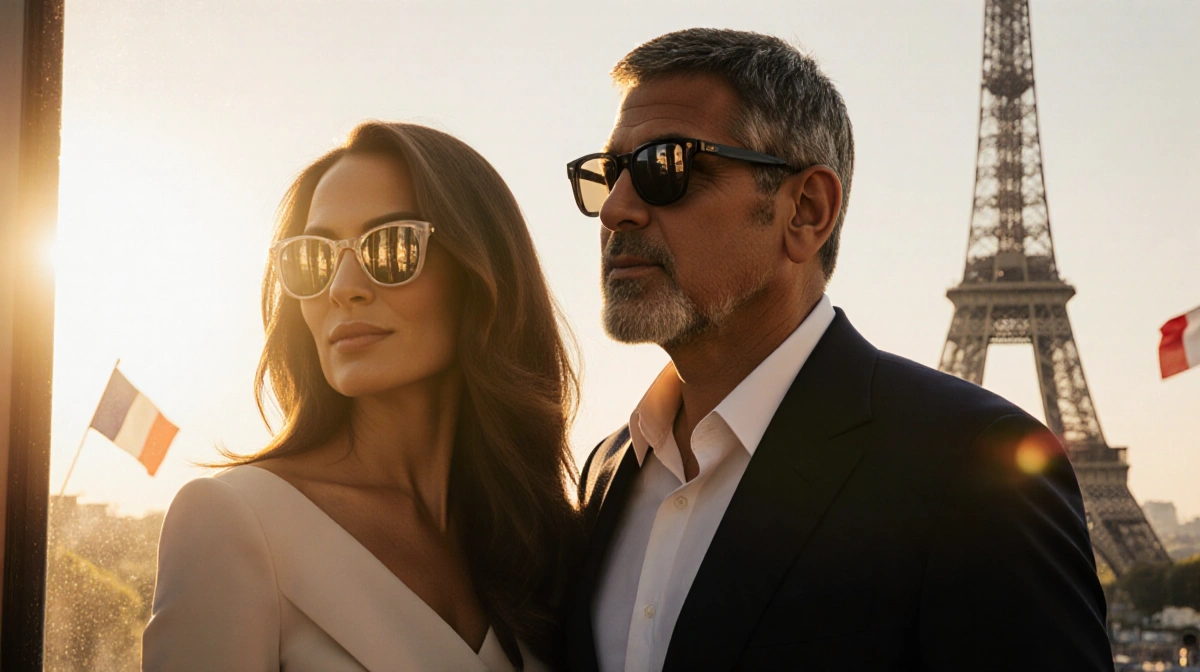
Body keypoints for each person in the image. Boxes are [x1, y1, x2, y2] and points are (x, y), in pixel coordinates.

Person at [563, 28, 1113, 671]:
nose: (617, 210)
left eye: (665, 167)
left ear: (806, 210)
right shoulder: (604, 472)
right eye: (609, 173)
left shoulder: (975, 473)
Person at [143, 121, 580, 672]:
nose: (342, 286)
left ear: (480, 271)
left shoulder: (546, 542)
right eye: (314, 257)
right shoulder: (231, 521)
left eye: (392, 246)